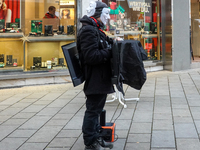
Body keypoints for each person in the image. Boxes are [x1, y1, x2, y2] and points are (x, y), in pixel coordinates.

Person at [77, 1, 114, 150]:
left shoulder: (95, 28)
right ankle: (90, 142)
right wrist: (111, 52)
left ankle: (95, 137)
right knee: (93, 110)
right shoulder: (88, 30)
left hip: (100, 76)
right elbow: (91, 56)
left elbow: (101, 46)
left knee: (97, 109)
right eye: (106, 14)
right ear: (97, 14)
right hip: (95, 77)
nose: (108, 18)